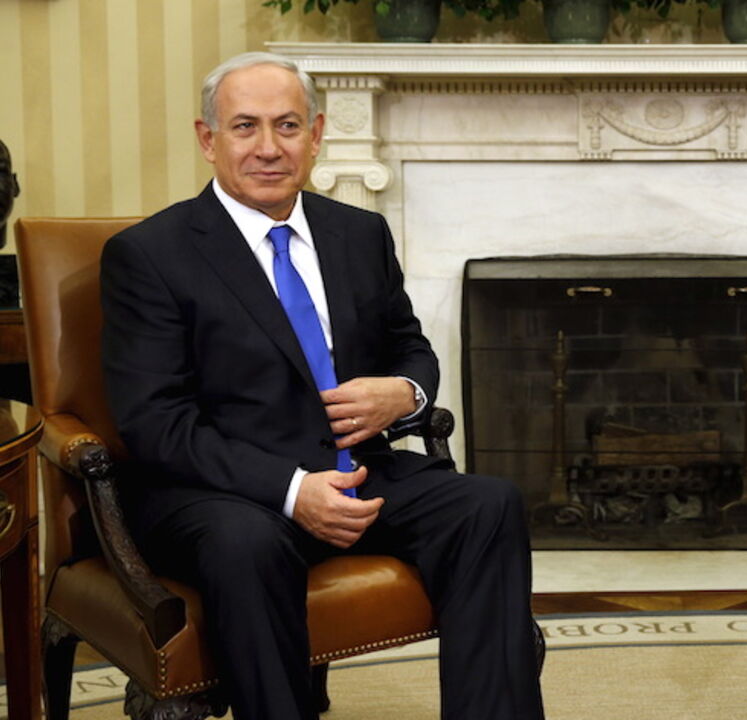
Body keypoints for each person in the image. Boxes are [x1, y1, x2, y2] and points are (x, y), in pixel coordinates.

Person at [100, 52, 545, 720]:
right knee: (247, 544)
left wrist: (407, 392)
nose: (269, 147)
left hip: (355, 469)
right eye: (245, 127)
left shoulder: (357, 233)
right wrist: (291, 490)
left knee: (488, 505)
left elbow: (409, 346)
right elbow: (157, 423)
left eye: (287, 126)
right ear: (206, 139)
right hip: (218, 491)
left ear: (316, 135)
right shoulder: (150, 255)